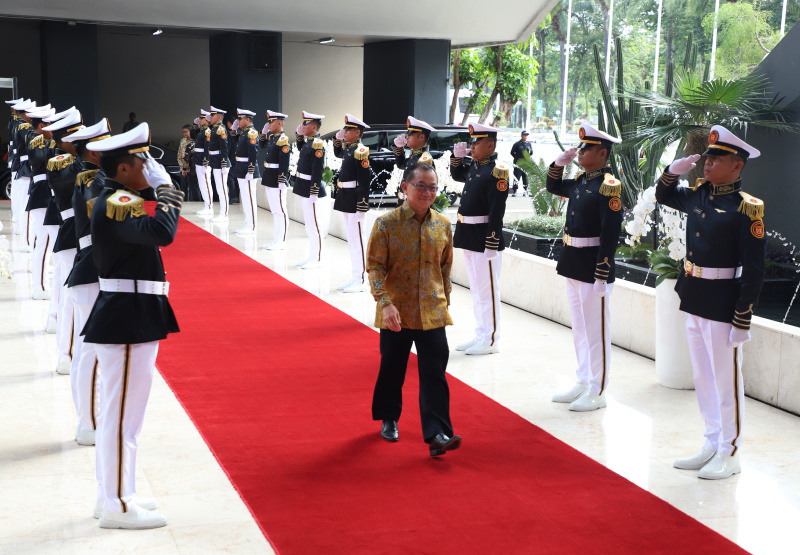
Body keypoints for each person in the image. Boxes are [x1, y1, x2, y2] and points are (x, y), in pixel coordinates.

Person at [84, 122, 182, 529]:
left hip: (131, 312)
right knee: (123, 417)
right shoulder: (115, 201)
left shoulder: (116, 195)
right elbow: (163, 232)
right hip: (126, 317)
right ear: (123, 169)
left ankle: (112, 493)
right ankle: (117, 506)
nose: (149, 168)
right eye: (142, 162)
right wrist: (168, 189)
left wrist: (155, 187)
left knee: (123, 416)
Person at [655, 126, 765, 480]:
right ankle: (711, 442)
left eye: (718, 159)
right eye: (708, 157)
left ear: (737, 167)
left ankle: (730, 452)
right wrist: (672, 171)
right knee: (703, 376)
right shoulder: (699, 195)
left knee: (725, 378)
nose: (708, 163)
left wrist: (742, 316)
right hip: (695, 295)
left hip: (723, 302)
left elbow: (755, 268)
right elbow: (664, 195)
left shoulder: (747, 209)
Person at [367, 162, 461, 457]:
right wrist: (385, 303)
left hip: (433, 312)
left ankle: (438, 434)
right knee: (392, 367)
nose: (428, 192)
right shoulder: (386, 223)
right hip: (397, 310)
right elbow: (374, 268)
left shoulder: (443, 224)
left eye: (433, 187)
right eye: (421, 186)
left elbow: (446, 267)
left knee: (435, 373)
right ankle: (389, 417)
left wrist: (444, 299)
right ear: (405, 187)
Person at [546, 123, 623, 412]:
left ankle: (598, 389)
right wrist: (558, 164)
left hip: (593, 266)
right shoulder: (581, 181)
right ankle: (583, 379)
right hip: (573, 262)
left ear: (602, 153)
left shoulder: (608, 186)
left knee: (596, 332)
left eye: (586, 148)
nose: (580, 152)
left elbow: (611, 232)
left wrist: (602, 271)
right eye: (579, 147)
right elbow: (553, 186)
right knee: (579, 328)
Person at [61, 117, 111, 446]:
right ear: (93, 151)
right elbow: (102, 225)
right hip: (92, 267)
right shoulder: (93, 178)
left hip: (88, 267)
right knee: (91, 351)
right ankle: (89, 425)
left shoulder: (90, 174)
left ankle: (88, 419)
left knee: (86, 351)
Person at [450, 123, 510, 356]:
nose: (472, 146)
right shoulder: (476, 167)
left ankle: (491, 339)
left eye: (476, 142)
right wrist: (457, 158)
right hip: (469, 235)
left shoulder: (498, 171)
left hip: (485, 237)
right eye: (472, 142)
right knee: (477, 290)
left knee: (488, 291)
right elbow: (457, 175)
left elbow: (497, 211)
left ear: (490, 145)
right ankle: (481, 333)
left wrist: (492, 242)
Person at [43, 109, 85, 375]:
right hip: (71, 232)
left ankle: (77, 349)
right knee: (71, 293)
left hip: (86, 233)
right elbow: (71, 182)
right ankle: (65, 354)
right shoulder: (60, 163)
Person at [332, 114, 372, 293]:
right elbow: (338, 153)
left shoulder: (361, 151)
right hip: (346, 196)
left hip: (355, 198)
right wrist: (337, 140)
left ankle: (361, 279)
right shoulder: (349, 149)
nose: (345, 131)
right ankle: (355, 275)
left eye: (348, 129)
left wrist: (361, 205)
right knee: (352, 240)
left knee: (358, 240)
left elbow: (365, 181)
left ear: (357, 132)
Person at [24, 105, 57, 300]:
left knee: (44, 243)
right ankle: (40, 287)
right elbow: (44, 161)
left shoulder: (44, 140)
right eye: (51, 124)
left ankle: (41, 283)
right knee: (43, 243)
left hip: (44, 193)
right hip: (41, 193)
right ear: (42, 125)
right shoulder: (37, 142)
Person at [292, 111, 327, 269]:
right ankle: (311, 255)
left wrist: (314, 191)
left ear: (314, 127)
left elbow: (317, 170)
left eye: (305, 125)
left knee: (314, 224)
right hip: (303, 185)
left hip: (310, 188)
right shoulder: (309, 143)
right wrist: (299, 135)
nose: (302, 127)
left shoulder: (318, 144)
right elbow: (301, 149)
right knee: (309, 224)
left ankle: (317, 258)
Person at [259, 110, 291, 250]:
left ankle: (281, 241)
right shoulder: (273, 138)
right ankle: (276, 239)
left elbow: (284, 162)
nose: (269, 124)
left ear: (279, 123)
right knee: (275, 211)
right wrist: (263, 134)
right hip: (269, 176)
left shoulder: (283, 139)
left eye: (271, 122)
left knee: (280, 211)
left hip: (277, 178)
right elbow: (262, 145)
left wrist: (281, 180)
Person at [232, 108, 260, 235]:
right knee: (245, 197)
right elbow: (235, 141)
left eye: (240, 119)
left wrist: (251, 170)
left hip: (247, 169)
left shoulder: (252, 133)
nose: (238, 121)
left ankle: (252, 226)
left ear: (247, 119)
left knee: (249, 198)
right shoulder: (244, 132)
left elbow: (253, 153)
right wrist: (233, 129)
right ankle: (248, 223)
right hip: (241, 166)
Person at [207, 105, 230, 222]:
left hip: (220, 162)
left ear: (219, 117)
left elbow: (224, 147)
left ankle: (224, 213)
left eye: (212, 115)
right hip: (215, 161)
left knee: (222, 188)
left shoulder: (221, 128)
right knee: (219, 188)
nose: (210, 117)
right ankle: (222, 212)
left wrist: (224, 163)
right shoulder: (215, 128)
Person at [194, 109, 214, 216]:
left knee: (206, 183)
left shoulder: (208, 131)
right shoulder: (202, 130)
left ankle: (209, 206)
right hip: (198, 158)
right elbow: (193, 134)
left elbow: (207, 147)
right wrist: (195, 125)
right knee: (202, 183)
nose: (200, 120)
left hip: (203, 160)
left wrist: (206, 160)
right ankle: (206, 204)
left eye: (202, 118)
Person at [177, 124, 198, 201]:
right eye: (183, 132)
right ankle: (184, 203)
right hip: (183, 168)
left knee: (194, 187)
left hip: (192, 168)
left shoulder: (195, 141)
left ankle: (196, 203)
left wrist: (186, 168)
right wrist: (182, 167)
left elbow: (191, 156)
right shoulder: (182, 140)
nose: (184, 133)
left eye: (186, 132)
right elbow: (179, 154)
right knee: (183, 188)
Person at [510, 130, 533, 196]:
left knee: (525, 178)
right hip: (518, 164)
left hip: (526, 164)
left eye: (526, 135)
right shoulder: (517, 144)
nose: (525, 136)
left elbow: (531, 152)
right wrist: (517, 158)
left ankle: (525, 191)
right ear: (521, 135)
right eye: (524, 135)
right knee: (516, 178)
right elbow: (512, 152)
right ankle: (515, 191)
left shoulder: (529, 144)